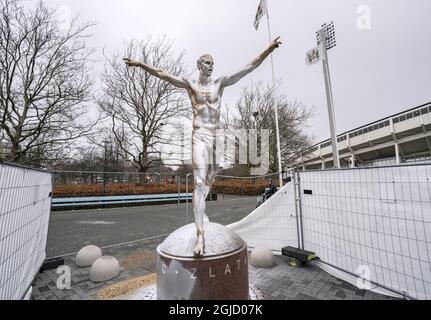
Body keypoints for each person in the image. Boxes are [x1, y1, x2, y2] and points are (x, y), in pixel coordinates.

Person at [124, 36, 282, 256]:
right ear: (199, 65)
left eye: (213, 63)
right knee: (199, 182)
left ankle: (203, 208)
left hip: (216, 137)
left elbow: (248, 67)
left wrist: (268, 49)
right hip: (199, 135)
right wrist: (141, 64)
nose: (211, 65)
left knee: (209, 179)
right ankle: (200, 235)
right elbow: (163, 74)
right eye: (207, 62)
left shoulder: (221, 83)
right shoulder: (191, 85)